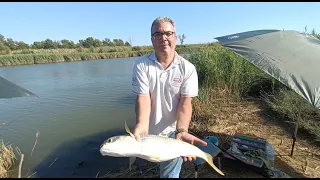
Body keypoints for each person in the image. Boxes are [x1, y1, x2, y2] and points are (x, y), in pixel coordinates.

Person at [131, 16, 207, 178]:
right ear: (152, 39)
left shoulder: (188, 68)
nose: (163, 38)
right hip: (147, 132)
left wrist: (182, 130)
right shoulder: (141, 65)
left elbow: (186, 103)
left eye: (168, 33)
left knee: (169, 174)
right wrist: (142, 125)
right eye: (157, 34)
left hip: (173, 132)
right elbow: (143, 98)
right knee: (141, 162)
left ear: (175, 37)